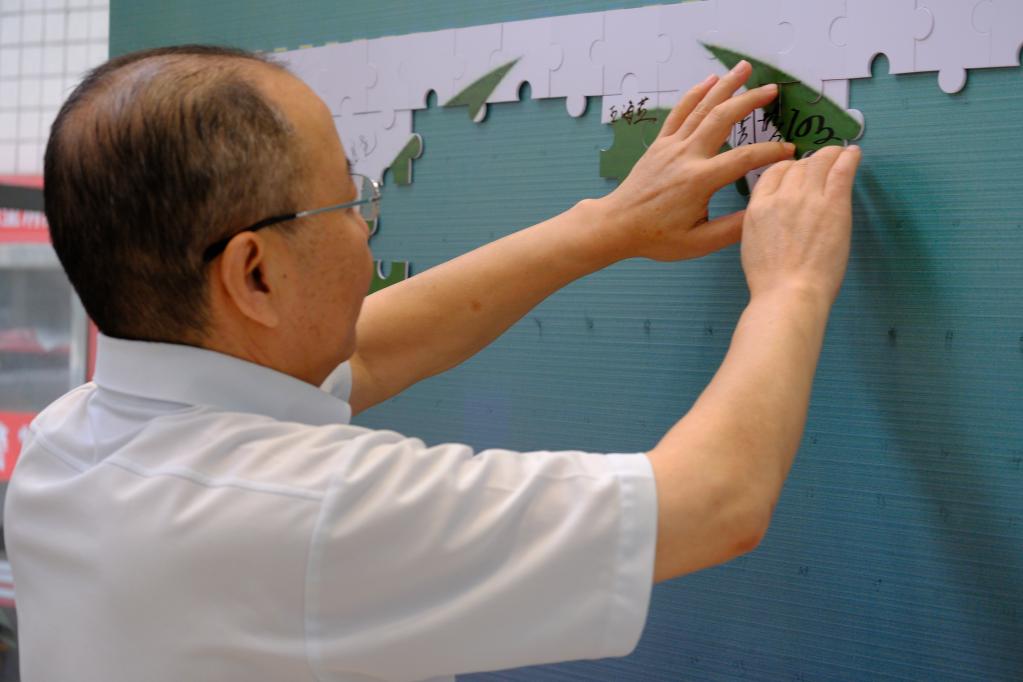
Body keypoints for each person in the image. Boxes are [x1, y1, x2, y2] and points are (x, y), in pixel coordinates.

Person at [3, 45, 860, 682]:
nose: (365, 227)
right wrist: (790, 284)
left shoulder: (66, 443)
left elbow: (373, 343)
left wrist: (608, 224)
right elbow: (711, 505)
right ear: (255, 274)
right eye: (348, 200)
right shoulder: (308, 514)